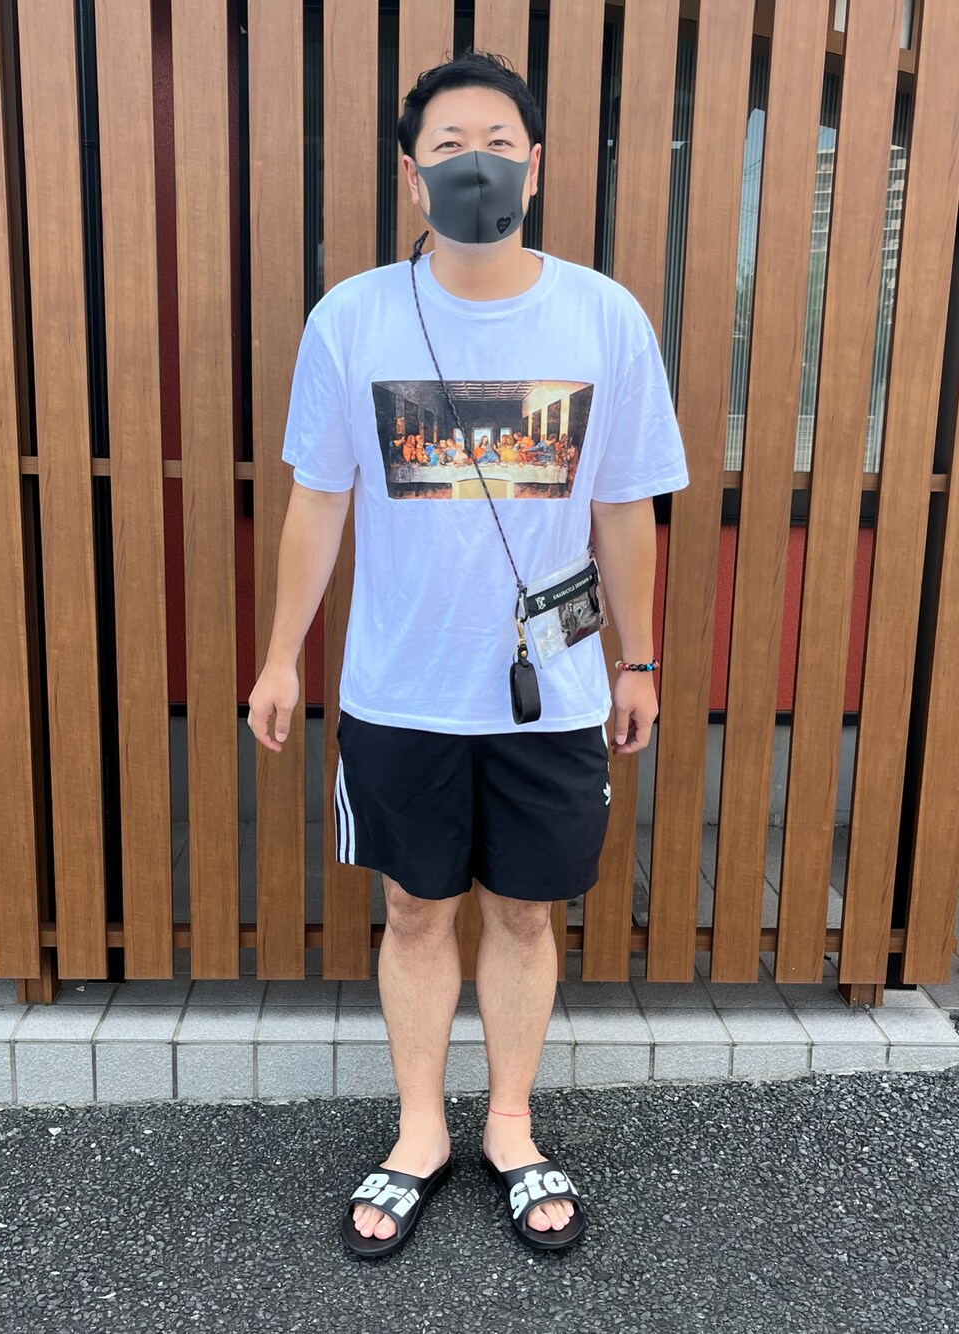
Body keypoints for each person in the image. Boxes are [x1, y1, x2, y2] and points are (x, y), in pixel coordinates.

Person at [247, 50, 688, 1259]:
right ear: (410, 175)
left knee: (526, 912)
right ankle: (416, 1132)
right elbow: (318, 500)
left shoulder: (602, 316)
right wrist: (283, 655)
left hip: (554, 690)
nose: (474, 164)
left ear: (535, 165)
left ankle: (508, 1122)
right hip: (401, 687)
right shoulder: (353, 318)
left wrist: (639, 663)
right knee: (413, 907)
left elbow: (625, 508)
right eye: (447, 146)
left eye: (497, 141)